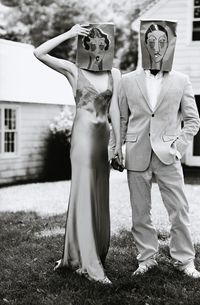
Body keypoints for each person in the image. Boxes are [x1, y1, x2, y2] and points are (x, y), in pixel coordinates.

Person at [34, 24, 122, 285]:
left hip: (103, 138)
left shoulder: (114, 73)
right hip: (82, 138)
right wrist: (71, 33)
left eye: (100, 44)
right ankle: (89, 264)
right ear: (85, 46)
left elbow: (114, 110)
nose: (96, 48)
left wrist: (118, 144)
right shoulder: (74, 70)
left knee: (98, 193)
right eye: (90, 44)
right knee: (83, 193)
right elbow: (39, 53)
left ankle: (88, 252)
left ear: (106, 47)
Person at [118, 20, 200, 278]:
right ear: (144, 43)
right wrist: (117, 149)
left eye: (162, 42)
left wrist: (178, 147)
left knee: (179, 211)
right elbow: (122, 119)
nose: (156, 46)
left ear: (169, 45)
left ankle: (185, 261)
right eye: (151, 41)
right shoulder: (127, 80)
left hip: (168, 156)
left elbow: (193, 121)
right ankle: (146, 259)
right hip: (136, 154)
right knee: (140, 212)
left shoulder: (181, 80)